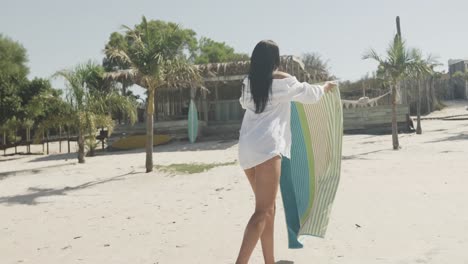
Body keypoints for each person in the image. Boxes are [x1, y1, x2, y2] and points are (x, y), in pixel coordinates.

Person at [236, 40, 336, 264]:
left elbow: (244, 103)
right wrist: (326, 87)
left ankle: (269, 262)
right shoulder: (282, 81)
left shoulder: (248, 83)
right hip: (268, 149)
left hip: (247, 149)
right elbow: (310, 95)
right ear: (275, 60)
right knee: (262, 211)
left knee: (267, 208)